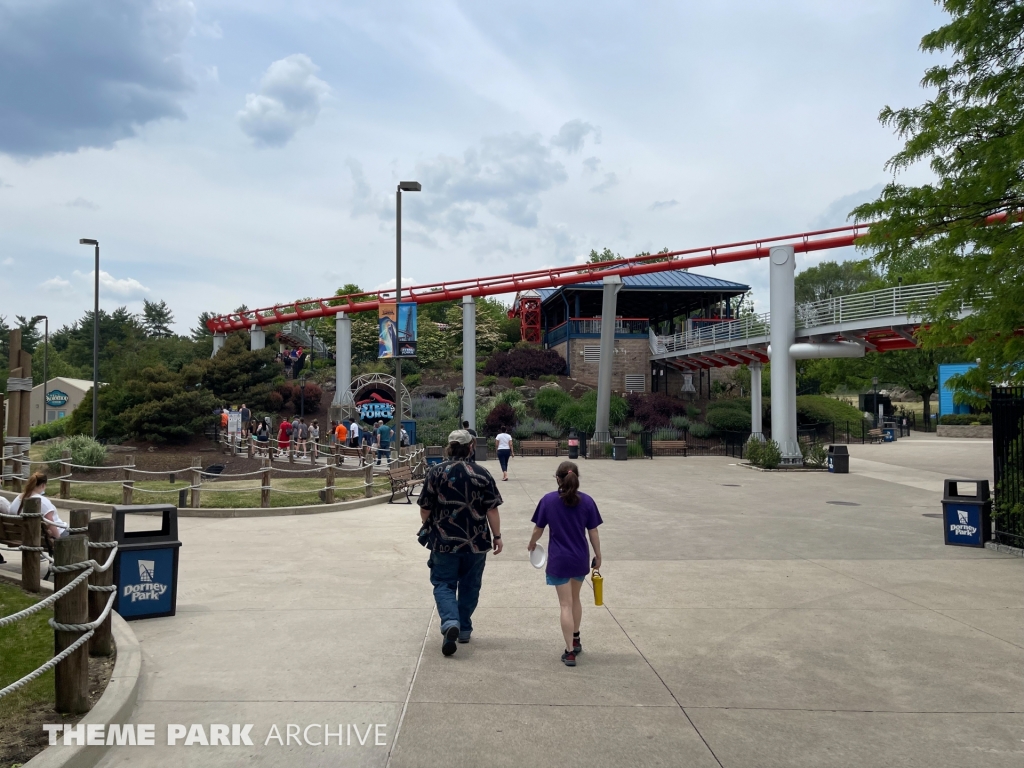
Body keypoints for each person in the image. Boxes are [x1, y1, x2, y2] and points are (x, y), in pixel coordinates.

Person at [418, 429, 503, 656]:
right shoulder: (482, 473)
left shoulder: (435, 473)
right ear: (471, 446)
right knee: (470, 585)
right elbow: (492, 509)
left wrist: (430, 525)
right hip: (476, 542)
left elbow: (425, 508)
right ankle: (463, 628)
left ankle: (450, 621)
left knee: (444, 583)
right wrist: (497, 536)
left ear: (448, 447)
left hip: (444, 542)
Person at [527, 461, 603, 667]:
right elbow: (593, 531)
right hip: (579, 558)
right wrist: (598, 555)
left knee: (565, 604)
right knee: (576, 599)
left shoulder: (548, 500)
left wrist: (532, 544)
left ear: (558, 479)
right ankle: (576, 638)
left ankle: (569, 650)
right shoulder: (587, 501)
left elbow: (538, 528)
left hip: (559, 560)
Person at [10, 473, 68, 578]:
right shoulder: (41, 501)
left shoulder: (16, 500)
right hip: (48, 537)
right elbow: (51, 523)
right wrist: (58, 542)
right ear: (42, 485)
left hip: (23, 537)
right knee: (83, 535)